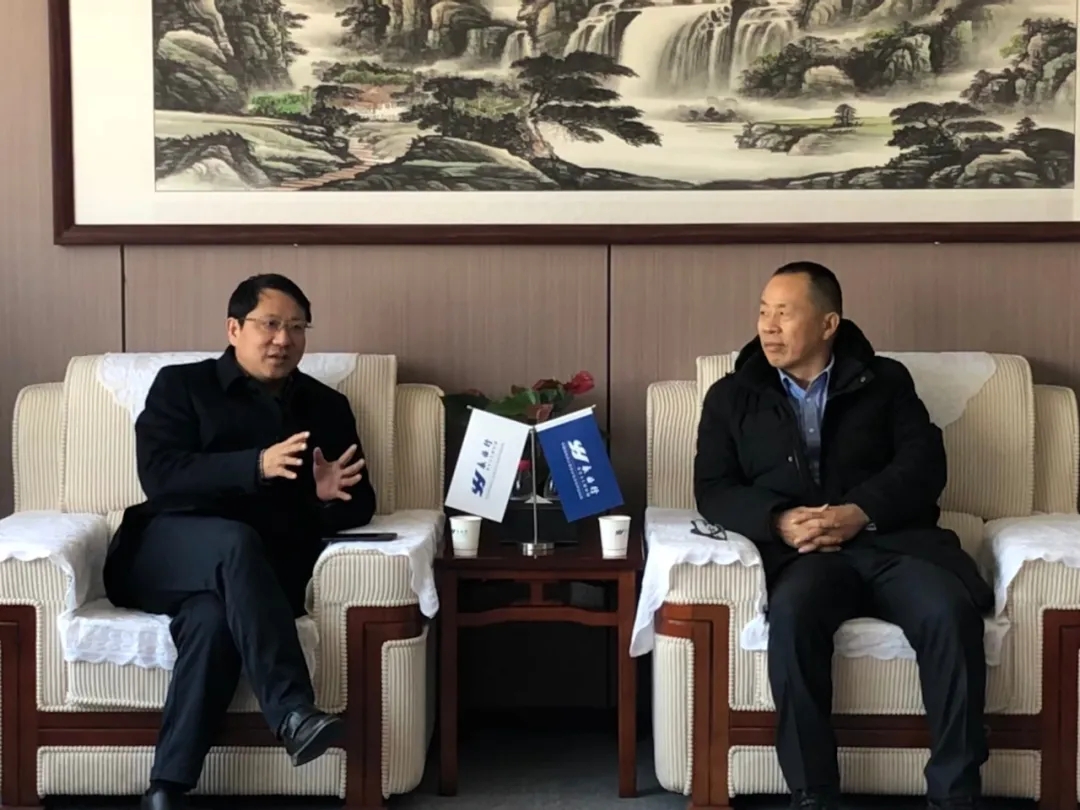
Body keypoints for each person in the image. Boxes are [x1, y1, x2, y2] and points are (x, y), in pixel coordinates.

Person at [693, 262, 994, 810]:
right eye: (763, 312)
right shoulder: (733, 396)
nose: (768, 326)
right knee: (792, 619)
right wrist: (778, 521)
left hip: (893, 545)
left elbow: (924, 464)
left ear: (828, 323)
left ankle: (956, 795)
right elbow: (713, 488)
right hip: (805, 557)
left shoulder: (887, 381)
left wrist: (861, 512)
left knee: (950, 613)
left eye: (785, 313)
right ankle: (814, 794)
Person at [104, 274, 376, 810]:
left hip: (255, 578)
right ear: (234, 329)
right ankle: (293, 711)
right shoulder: (182, 386)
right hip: (164, 551)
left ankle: (167, 788)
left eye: (297, 327)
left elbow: (361, 501)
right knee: (232, 540)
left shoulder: (326, 406)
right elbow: (161, 476)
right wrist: (255, 466)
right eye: (270, 324)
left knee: (212, 622)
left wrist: (324, 497)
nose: (284, 339)